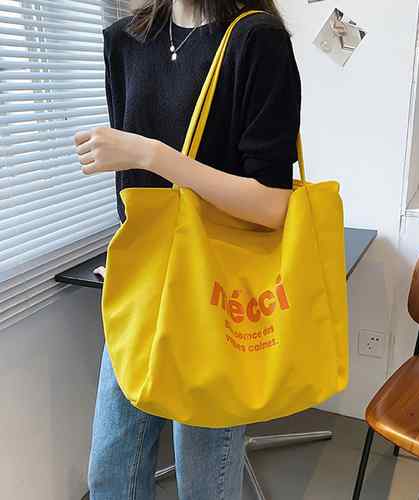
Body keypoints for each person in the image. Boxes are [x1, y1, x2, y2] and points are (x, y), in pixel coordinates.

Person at [74, 0, 301, 498]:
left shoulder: (255, 40)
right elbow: (133, 192)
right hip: (143, 284)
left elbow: (271, 206)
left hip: (217, 291)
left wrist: (151, 154)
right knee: (110, 475)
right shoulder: (124, 41)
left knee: (203, 482)